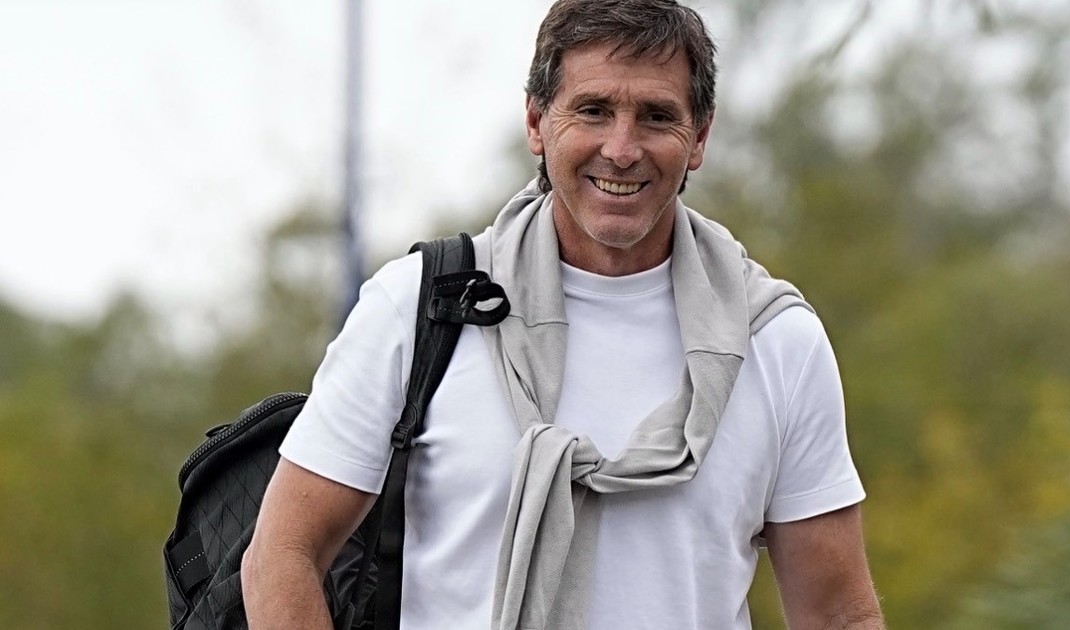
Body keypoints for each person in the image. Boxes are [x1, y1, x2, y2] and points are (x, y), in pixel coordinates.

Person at [242, 0, 884, 628]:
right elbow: (280, 557)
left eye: (657, 116)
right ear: (536, 121)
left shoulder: (775, 340)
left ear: (699, 137)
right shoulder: (420, 308)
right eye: (594, 110)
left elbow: (837, 614)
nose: (622, 149)